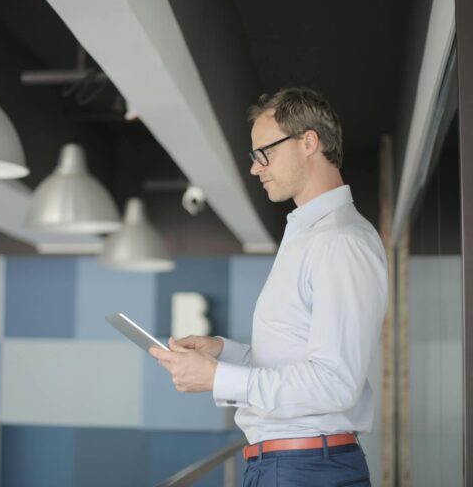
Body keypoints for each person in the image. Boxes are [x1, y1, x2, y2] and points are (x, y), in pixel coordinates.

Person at [150, 87, 387, 486]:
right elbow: (299, 359)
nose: (256, 168)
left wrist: (216, 379)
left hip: (305, 469)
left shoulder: (340, 241)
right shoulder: (307, 236)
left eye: (265, 153)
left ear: (309, 142)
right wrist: (226, 354)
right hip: (291, 466)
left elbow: (335, 383)